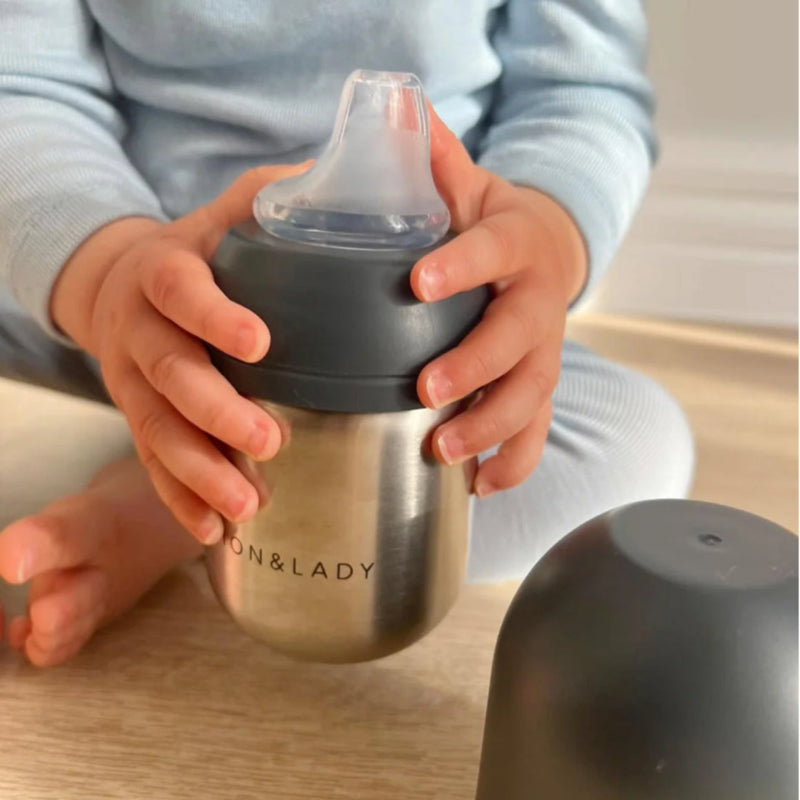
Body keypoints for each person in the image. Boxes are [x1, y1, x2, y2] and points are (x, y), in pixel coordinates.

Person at [0, 1, 694, 667]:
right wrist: (103, 273)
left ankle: (184, 509)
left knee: (634, 438)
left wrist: (545, 233)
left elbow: (583, 92)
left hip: (415, 368)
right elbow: (22, 87)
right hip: (131, 306)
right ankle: (210, 480)